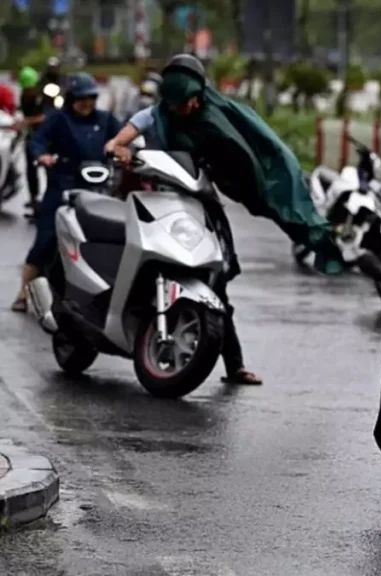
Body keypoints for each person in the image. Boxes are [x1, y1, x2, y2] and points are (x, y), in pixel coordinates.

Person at [105, 54, 343, 385]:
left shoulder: (222, 119)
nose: (181, 110)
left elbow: (255, 156)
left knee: (214, 280)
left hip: (197, 206)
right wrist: (119, 145)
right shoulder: (155, 116)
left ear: (199, 94)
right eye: (174, 104)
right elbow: (125, 135)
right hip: (154, 203)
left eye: (187, 102)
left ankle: (234, 365)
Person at [12, 73, 122, 312]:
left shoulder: (106, 120)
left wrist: (125, 152)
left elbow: (126, 138)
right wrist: (43, 156)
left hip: (97, 190)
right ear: (72, 98)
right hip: (63, 186)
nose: (86, 103)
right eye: (81, 98)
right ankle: (23, 292)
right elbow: (38, 142)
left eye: (91, 98)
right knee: (46, 239)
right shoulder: (57, 120)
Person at [15, 67, 47, 218]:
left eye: (31, 88)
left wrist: (27, 121)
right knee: (31, 169)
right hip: (31, 137)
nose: (29, 91)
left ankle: (50, 200)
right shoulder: (23, 97)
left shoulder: (44, 95)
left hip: (47, 138)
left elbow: (47, 116)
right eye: (26, 89)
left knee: (48, 168)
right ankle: (34, 200)